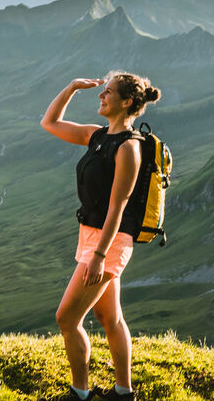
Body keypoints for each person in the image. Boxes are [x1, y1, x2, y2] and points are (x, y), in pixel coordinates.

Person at [39, 72, 161, 401]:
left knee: (66, 317)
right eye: (102, 92)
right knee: (108, 315)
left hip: (110, 242)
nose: (101, 97)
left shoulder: (129, 149)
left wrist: (99, 255)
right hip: (91, 236)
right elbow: (50, 122)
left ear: (127, 102)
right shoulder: (98, 136)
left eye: (107, 93)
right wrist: (71, 87)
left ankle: (80, 393)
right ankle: (123, 393)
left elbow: (118, 207)